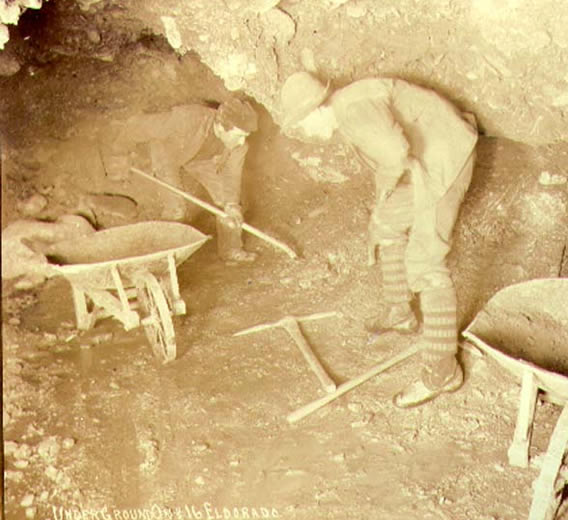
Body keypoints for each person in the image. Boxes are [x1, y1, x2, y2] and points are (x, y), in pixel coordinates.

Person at [279, 72, 478, 408]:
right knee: (386, 224)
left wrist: (384, 191)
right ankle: (400, 312)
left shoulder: (353, 110)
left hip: (445, 160)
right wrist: (380, 208)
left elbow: (394, 153)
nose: (308, 135)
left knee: (426, 263)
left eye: (304, 127)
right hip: (423, 161)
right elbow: (391, 160)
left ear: (315, 111)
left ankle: (443, 372)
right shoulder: (349, 108)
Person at [106, 99, 259, 262]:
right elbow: (137, 125)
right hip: (168, 154)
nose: (242, 141)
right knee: (176, 210)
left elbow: (232, 176)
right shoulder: (187, 119)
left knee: (228, 203)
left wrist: (232, 205)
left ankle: (231, 250)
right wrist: (119, 152)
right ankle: (160, 257)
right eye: (239, 135)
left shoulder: (240, 146)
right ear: (221, 128)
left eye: (245, 136)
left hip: (202, 159)